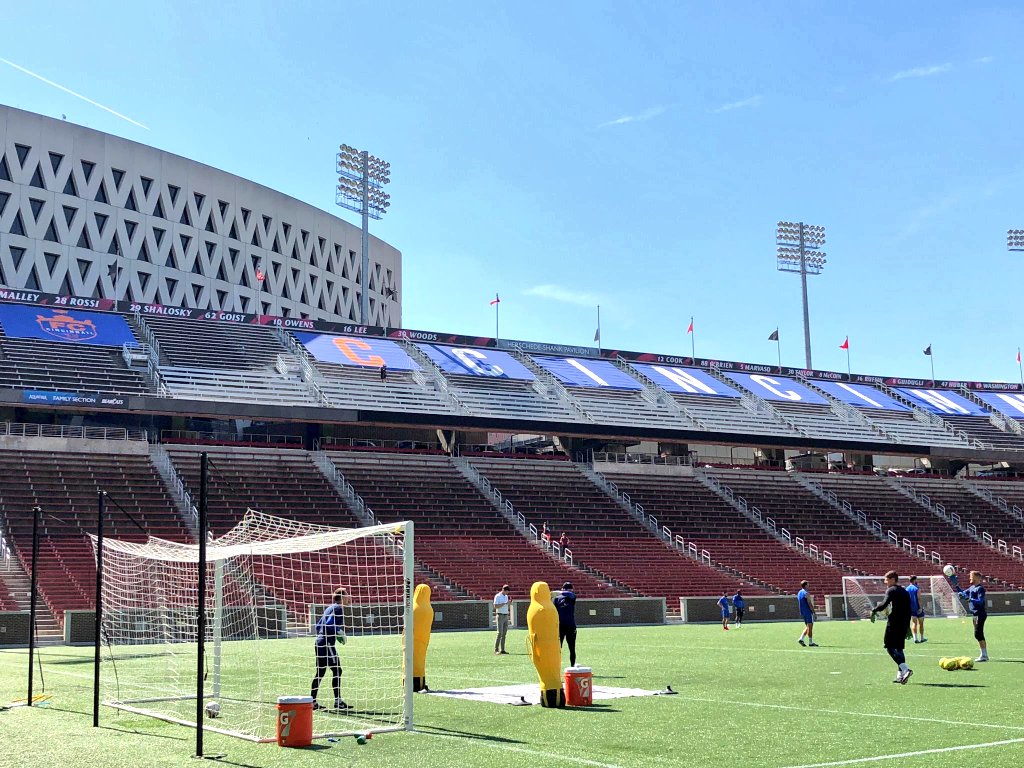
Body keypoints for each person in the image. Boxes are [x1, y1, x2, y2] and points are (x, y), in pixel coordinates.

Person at [869, 570, 913, 684]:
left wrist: (874, 610)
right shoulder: (904, 591)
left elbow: (884, 603)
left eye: (887, 579)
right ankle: (900, 676)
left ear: (893, 579)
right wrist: (908, 626)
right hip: (904, 623)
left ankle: (905, 669)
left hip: (894, 623)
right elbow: (909, 610)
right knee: (899, 648)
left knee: (889, 646)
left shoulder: (891, 590)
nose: (885, 582)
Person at [311, 587, 351, 710]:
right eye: (347, 595)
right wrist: (339, 631)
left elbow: (318, 626)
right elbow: (329, 624)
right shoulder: (338, 608)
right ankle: (338, 702)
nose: (349, 597)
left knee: (320, 672)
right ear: (342, 597)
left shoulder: (329, 608)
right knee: (337, 671)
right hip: (327, 644)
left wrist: (329, 634)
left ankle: (312, 702)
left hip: (319, 642)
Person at [956, 570, 989, 662]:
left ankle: (984, 655)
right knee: (977, 634)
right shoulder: (971, 588)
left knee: (978, 633)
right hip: (975, 614)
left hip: (980, 614)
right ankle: (983, 654)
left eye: (971, 576)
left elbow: (980, 601)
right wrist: (956, 585)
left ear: (977, 578)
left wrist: (969, 599)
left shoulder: (980, 589)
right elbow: (963, 593)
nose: (970, 578)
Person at [552, 581, 578, 666]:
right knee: (559, 648)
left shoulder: (571, 597)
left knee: (571, 648)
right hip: (563, 625)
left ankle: (572, 666)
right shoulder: (558, 598)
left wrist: (561, 592)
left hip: (567, 626)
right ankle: (558, 666)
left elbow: (570, 594)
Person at [796, 580, 818, 646]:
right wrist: (814, 612)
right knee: (810, 627)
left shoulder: (799, 592)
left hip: (803, 612)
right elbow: (809, 603)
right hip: (808, 611)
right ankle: (811, 642)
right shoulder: (806, 593)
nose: (809, 586)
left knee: (808, 626)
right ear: (805, 585)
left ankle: (801, 639)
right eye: (808, 584)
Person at [907, 575, 927, 643]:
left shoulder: (907, 589)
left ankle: (915, 638)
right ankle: (922, 638)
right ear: (914, 580)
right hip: (918, 608)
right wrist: (920, 607)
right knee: (921, 623)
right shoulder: (917, 588)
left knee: (914, 623)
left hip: (911, 608)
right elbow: (919, 598)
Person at [493, 584, 511, 654]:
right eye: (507, 592)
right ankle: (496, 650)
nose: (507, 593)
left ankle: (502, 649)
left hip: (505, 615)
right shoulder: (497, 596)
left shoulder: (506, 596)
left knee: (504, 633)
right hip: (500, 615)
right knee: (499, 633)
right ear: (503, 590)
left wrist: (509, 603)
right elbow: (495, 606)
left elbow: (507, 605)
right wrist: (504, 604)